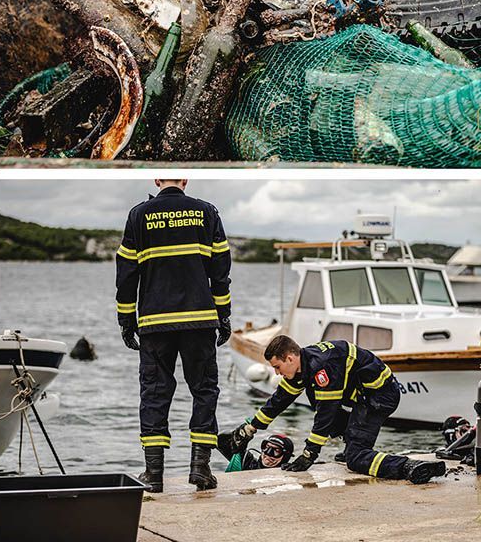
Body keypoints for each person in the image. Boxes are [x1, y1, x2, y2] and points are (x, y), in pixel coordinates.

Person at [116, 178, 232, 493]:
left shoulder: (138, 215)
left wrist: (126, 318)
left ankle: (153, 474)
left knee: (154, 393)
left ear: (157, 180)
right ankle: (200, 469)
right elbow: (221, 272)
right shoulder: (207, 212)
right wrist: (224, 315)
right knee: (205, 390)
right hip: (199, 321)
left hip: (154, 323)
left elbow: (126, 273)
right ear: (184, 180)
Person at [227, 335, 447, 484]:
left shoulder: (322, 368)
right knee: (316, 401)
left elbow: (326, 414)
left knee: (356, 459)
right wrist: (249, 428)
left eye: (277, 367)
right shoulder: (304, 365)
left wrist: (308, 454)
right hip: (362, 396)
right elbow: (279, 400)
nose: (276, 373)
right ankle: (353, 443)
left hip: (379, 397)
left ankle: (409, 467)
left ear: (290, 358)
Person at [216, 432, 293, 472]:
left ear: (286, 456)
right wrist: (241, 436)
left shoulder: (288, 471)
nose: (268, 453)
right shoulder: (249, 464)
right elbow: (221, 441)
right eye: (266, 447)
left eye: (276, 451)